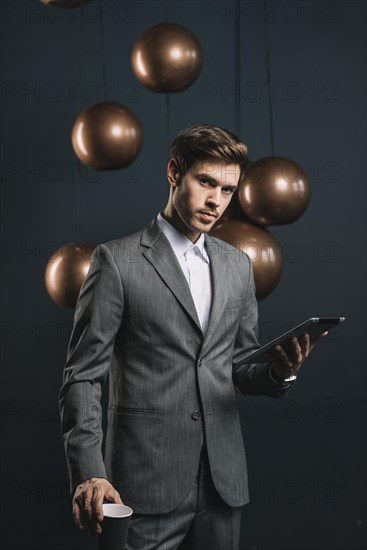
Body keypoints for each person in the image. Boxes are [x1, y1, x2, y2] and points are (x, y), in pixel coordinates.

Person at [59, 124, 326, 550]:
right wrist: (90, 471)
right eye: (206, 182)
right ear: (173, 172)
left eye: (227, 189)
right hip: (140, 483)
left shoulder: (238, 265)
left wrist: (278, 372)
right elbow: (82, 376)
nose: (215, 201)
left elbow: (237, 367)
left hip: (223, 484)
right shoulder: (117, 261)